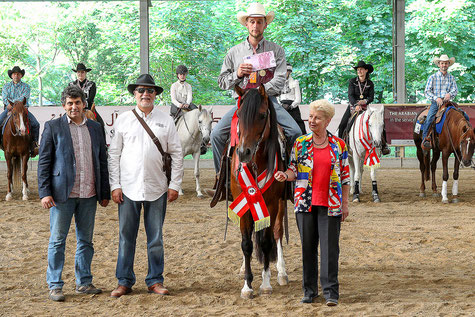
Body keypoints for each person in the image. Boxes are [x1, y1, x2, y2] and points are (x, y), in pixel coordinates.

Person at [108, 74, 183, 298]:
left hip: (157, 187)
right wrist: (115, 184)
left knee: (156, 238)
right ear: (134, 94)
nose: (145, 94)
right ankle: (124, 281)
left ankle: (155, 280)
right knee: (126, 237)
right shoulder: (123, 120)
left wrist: (175, 184)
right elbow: (114, 155)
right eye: (141, 90)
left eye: (150, 91)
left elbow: (177, 154)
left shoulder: (166, 120)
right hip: (128, 188)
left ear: (156, 95)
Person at [37, 85, 110, 302]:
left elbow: (102, 161)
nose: (74, 107)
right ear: (64, 105)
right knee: (58, 240)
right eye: (70, 103)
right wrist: (44, 193)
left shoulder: (96, 128)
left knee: (86, 241)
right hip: (61, 195)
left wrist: (104, 192)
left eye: (77, 102)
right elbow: (44, 163)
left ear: (84, 104)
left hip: (89, 193)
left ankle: (84, 282)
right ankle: (55, 285)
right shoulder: (53, 127)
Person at [274, 99, 349, 306]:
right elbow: (294, 169)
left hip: (331, 204)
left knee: (329, 250)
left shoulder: (339, 145)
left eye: (317, 118)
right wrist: (285, 175)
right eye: (310, 117)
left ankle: (330, 292)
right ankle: (309, 291)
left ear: (328, 121)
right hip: (304, 204)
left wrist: (345, 204)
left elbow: (345, 177)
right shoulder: (300, 143)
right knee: (308, 249)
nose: (312, 121)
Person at [211, 2, 301, 174]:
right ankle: (220, 180)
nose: (255, 25)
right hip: (242, 102)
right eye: (252, 21)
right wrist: (237, 74)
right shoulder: (233, 53)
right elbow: (222, 82)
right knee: (216, 135)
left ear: (265, 24)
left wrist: (261, 91)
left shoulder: (277, 51)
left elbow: (280, 79)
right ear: (246, 24)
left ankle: (291, 177)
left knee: (295, 132)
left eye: (259, 22)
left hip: (269, 101)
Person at [338, 61, 390, 155]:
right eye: (358, 70)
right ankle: (341, 146)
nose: (359, 71)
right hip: (353, 107)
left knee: (379, 123)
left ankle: (384, 145)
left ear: (366, 70)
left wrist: (365, 101)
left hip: (366, 108)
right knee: (343, 124)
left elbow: (371, 97)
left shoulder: (370, 83)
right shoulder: (352, 81)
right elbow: (350, 95)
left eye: (361, 69)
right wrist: (356, 105)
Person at [0, 66, 40, 156]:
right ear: (11, 76)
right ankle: (2, 143)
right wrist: (11, 104)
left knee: (35, 124)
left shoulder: (26, 87)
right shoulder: (6, 86)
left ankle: (34, 144)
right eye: (14, 74)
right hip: (9, 110)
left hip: (22, 110)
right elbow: (5, 98)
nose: (16, 75)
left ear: (21, 75)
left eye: (18, 74)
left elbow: (24, 98)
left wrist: (13, 104)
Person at [422, 54, 458, 150]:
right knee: (429, 118)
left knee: (462, 115)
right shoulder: (433, 77)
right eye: (442, 63)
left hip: (448, 103)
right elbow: (427, 91)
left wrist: (450, 94)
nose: (444, 65)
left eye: (446, 63)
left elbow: (455, 90)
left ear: (448, 65)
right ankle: (425, 139)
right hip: (436, 103)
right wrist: (436, 98)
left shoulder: (451, 78)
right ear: (439, 64)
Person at [69, 63, 106, 137]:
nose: (80, 74)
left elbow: (90, 99)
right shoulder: (71, 85)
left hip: (88, 108)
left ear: (85, 73)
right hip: (74, 108)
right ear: (76, 73)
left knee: (101, 124)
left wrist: (82, 105)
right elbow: (69, 97)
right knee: (62, 122)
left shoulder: (91, 84)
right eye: (78, 72)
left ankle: (103, 145)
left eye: (82, 72)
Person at [279, 63, 305, 135]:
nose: (285, 73)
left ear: (289, 72)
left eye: (286, 71)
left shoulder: (295, 82)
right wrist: (280, 106)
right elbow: (277, 96)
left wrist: (291, 106)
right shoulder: (279, 83)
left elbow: (298, 99)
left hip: (292, 107)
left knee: (299, 126)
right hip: (282, 107)